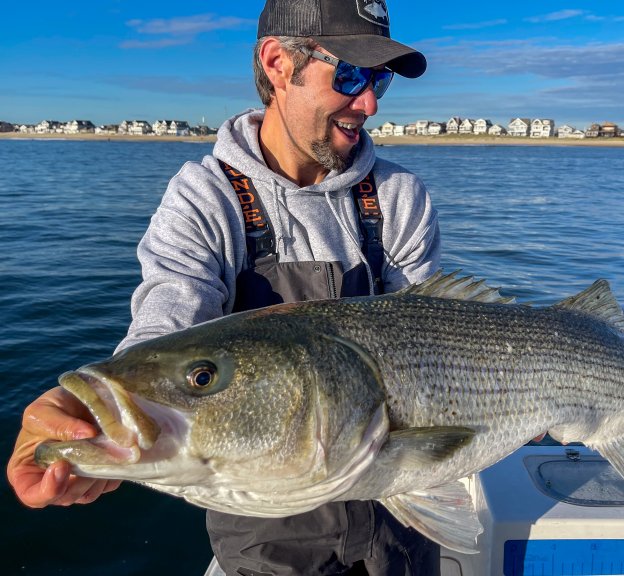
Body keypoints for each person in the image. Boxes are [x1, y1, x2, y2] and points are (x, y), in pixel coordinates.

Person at [7, 0, 442, 574]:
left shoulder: (397, 196)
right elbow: (169, 322)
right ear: (278, 62)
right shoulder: (204, 198)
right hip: (267, 537)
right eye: (350, 74)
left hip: (395, 526)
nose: (369, 103)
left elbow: (435, 338)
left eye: (379, 79)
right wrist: (89, 418)